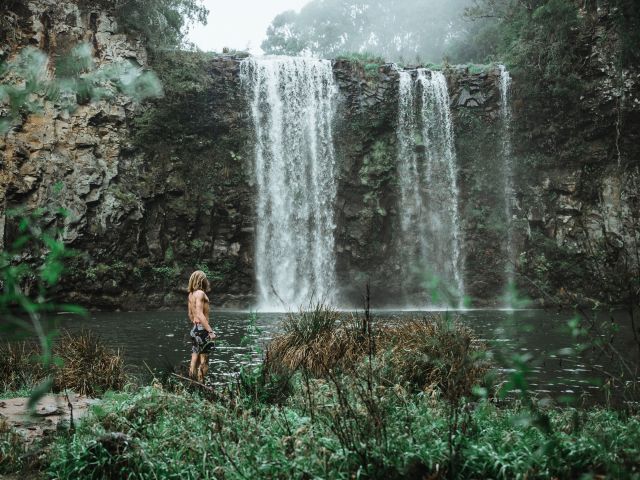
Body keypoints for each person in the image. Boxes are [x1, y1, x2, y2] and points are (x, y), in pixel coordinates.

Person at [187, 270, 216, 382]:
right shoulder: (200, 294)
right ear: (201, 280)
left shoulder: (191, 295)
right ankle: (201, 385)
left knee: (194, 357)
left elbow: (190, 314)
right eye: (205, 278)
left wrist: (196, 326)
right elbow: (199, 313)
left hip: (195, 329)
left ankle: (191, 383)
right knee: (204, 359)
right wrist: (210, 331)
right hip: (202, 329)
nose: (207, 281)